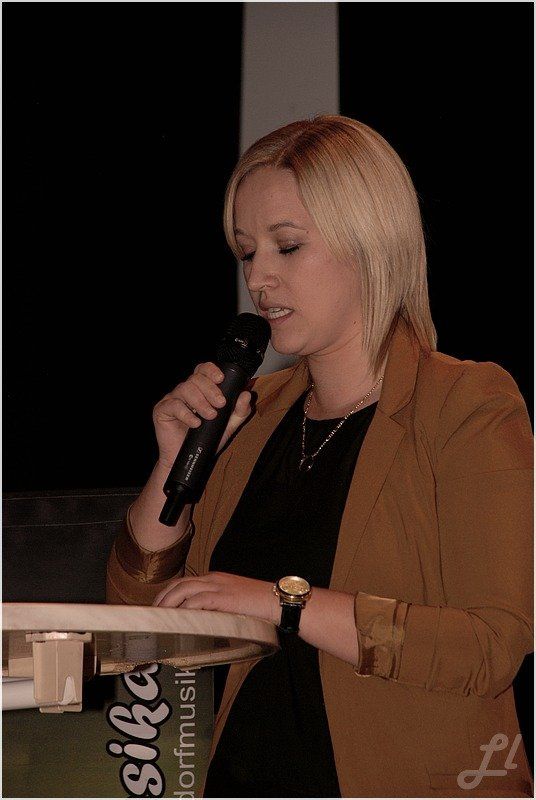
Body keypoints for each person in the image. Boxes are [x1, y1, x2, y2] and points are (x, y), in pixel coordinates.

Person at [106, 115, 534, 798]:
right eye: (247, 252)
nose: (259, 277)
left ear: (370, 241)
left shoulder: (467, 404)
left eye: (287, 246)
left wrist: (282, 602)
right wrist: (171, 466)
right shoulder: (253, 414)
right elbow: (138, 625)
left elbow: (490, 648)